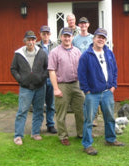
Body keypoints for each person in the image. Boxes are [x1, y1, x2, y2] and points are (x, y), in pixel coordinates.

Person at [78, 28, 124, 156]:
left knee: (109, 117)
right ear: (93, 38)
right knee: (89, 120)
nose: (101, 39)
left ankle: (110, 139)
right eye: (98, 37)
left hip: (107, 92)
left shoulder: (109, 53)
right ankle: (87, 145)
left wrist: (113, 86)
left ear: (105, 40)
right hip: (92, 94)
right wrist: (86, 91)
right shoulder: (86, 56)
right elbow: (81, 75)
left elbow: (114, 70)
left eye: (103, 38)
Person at [48, 27, 84, 146]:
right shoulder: (55, 52)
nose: (67, 38)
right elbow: (52, 70)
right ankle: (63, 136)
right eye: (65, 36)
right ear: (61, 37)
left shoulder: (77, 51)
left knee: (80, 111)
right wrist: (56, 88)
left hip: (77, 84)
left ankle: (81, 133)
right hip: (62, 85)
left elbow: (82, 69)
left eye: (69, 36)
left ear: (72, 37)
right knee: (61, 113)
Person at [10, 30, 48, 145]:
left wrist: (42, 77)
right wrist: (20, 79)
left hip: (40, 87)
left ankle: (35, 133)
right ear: (25, 41)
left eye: (32, 39)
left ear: (35, 41)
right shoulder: (18, 54)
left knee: (39, 110)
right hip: (26, 88)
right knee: (22, 111)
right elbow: (13, 69)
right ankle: (18, 136)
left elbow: (48, 67)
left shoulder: (42, 53)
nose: (30, 42)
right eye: (28, 39)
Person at [72, 17, 99, 127]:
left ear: (88, 25)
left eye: (85, 23)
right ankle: (84, 118)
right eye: (81, 24)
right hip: (80, 70)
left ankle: (94, 118)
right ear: (79, 25)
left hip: (92, 70)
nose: (83, 25)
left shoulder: (93, 38)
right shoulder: (74, 39)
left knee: (94, 93)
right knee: (82, 95)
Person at [36, 25, 58, 134]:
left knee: (51, 104)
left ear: (50, 34)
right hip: (40, 78)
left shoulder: (56, 45)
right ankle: (37, 126)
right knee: (39, 103)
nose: (45, 35)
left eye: (47, 33)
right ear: (40, 34)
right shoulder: (36, 46)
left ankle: (50, 125)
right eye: (43, 33)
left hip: (52, 78)